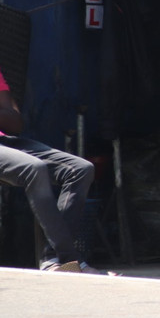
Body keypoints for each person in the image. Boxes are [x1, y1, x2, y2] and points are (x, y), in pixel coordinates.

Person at [0, 66, 99, 273]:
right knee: (33, 168)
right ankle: (71, 260)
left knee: (80, 169)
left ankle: (53, 258)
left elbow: (15, 124)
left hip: (5, 141)